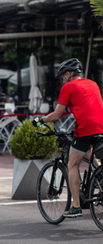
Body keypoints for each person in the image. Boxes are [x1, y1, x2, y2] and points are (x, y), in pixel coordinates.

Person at [35, 58, 103, 218]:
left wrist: (41, 119)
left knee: (72, 164)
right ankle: (100, 175)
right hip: (101, 125)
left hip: (86, 127)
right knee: (88, 150)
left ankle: (76, 207)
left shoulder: (68, 87)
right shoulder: (92, 83)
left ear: (67, 74)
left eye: (61, 77)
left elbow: (56, 115)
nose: (61, 80)